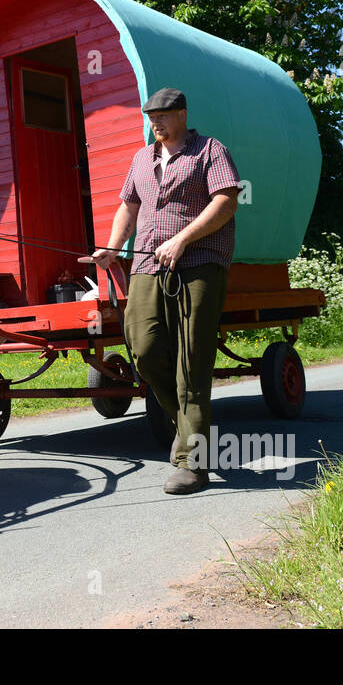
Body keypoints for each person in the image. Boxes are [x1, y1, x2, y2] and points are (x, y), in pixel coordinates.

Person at [90, 88, 240, 494]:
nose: (155, 122)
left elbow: (227, 200)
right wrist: (113, 246)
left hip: (198, 264)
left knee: (192, 360)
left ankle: (193, 461)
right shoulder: (141, 158)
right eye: (150, 115)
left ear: (183, 114)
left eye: (163, 115)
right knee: (144, 347)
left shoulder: (210, 150)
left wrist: (184, 239)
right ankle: (186, 427)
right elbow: (129, 206)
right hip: (146, 265)